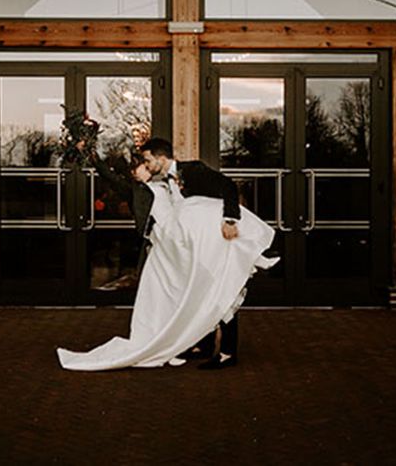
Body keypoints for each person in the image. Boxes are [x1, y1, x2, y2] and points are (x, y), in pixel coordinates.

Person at [56, 137, 277, 372]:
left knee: (220, 292)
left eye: (148, 160)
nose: (146, 164)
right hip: (179, 252)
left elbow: (227, 187)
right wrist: (90, 153)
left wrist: (230, 219)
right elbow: (114, 180)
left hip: (208, 243)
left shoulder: (191, 171)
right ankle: (200, 343)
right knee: (196, 295)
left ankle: (227, 352)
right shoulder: (145, 190)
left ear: (161, 158)